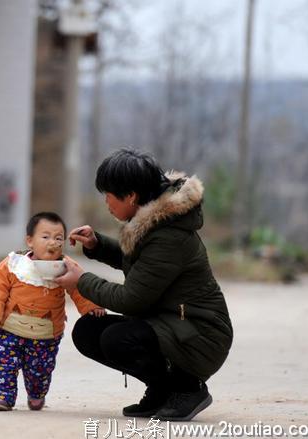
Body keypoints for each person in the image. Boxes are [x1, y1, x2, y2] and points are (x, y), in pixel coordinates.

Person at [54, 149, 233, 422]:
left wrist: (82, 280)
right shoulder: (155, 222)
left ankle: (187, 388)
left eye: (109, 194)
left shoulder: (169, 236)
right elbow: (141, 266)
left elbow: (131, 299)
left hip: (199, 335)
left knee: (117, 339)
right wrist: (97, 245)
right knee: (88, 331)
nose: (106, 202)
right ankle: (163, 390)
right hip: (174, 324)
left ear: (131, 196)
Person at [0, 212, 106, 412]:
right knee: (2, 362)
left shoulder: (66, 268)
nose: (52, 242)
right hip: (8, 329)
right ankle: (2, 396)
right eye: (45, 237)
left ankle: (37, 394)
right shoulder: (14, 264)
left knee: (39, 369)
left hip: (46, 333)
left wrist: (92, 307)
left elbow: (79, 288)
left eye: (58, 238)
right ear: (29, 240)